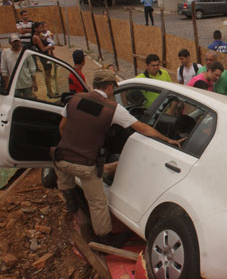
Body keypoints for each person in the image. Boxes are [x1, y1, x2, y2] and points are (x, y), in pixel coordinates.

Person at [54, 69, 181, 247]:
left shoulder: (74, 100)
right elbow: (142, 128)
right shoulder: (113, 109)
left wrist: (71, 145)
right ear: (108, 88)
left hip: (61, 159)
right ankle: (105, 238)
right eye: (112, 87)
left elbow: (62, 127)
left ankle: (71, 204)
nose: (113, 91)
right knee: (98, 203)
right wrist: (168, 139)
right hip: (85, 165)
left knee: (66, 182)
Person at [32, 22, 58, 98]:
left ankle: (50, 91)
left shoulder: (39, 36)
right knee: (47, 75)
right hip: (45, 57)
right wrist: (50, 46)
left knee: (49, 74)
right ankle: (50, 92)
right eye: (39, 28)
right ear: (35, 29)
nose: (41, 29)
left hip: (46, 56)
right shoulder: (36, 37)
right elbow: (43, 49)